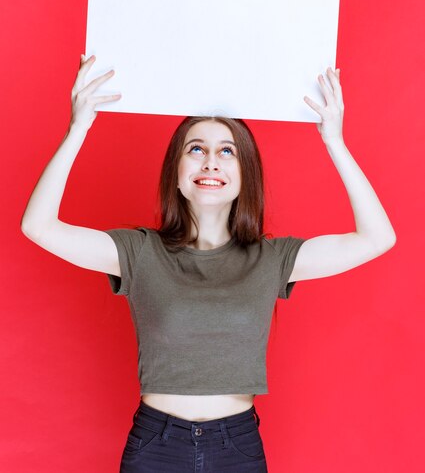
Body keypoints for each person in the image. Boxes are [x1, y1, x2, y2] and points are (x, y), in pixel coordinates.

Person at [21, 54, 396, 472]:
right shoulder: (140, 253)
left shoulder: (271, 259)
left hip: (237, 447)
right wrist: (78, 128)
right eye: (196, 149)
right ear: (177, 174)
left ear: (243, 174)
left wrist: (335, 142)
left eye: (227, 151)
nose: (211, 161)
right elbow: (39, 226)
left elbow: (377, 238)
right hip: (156, 447)